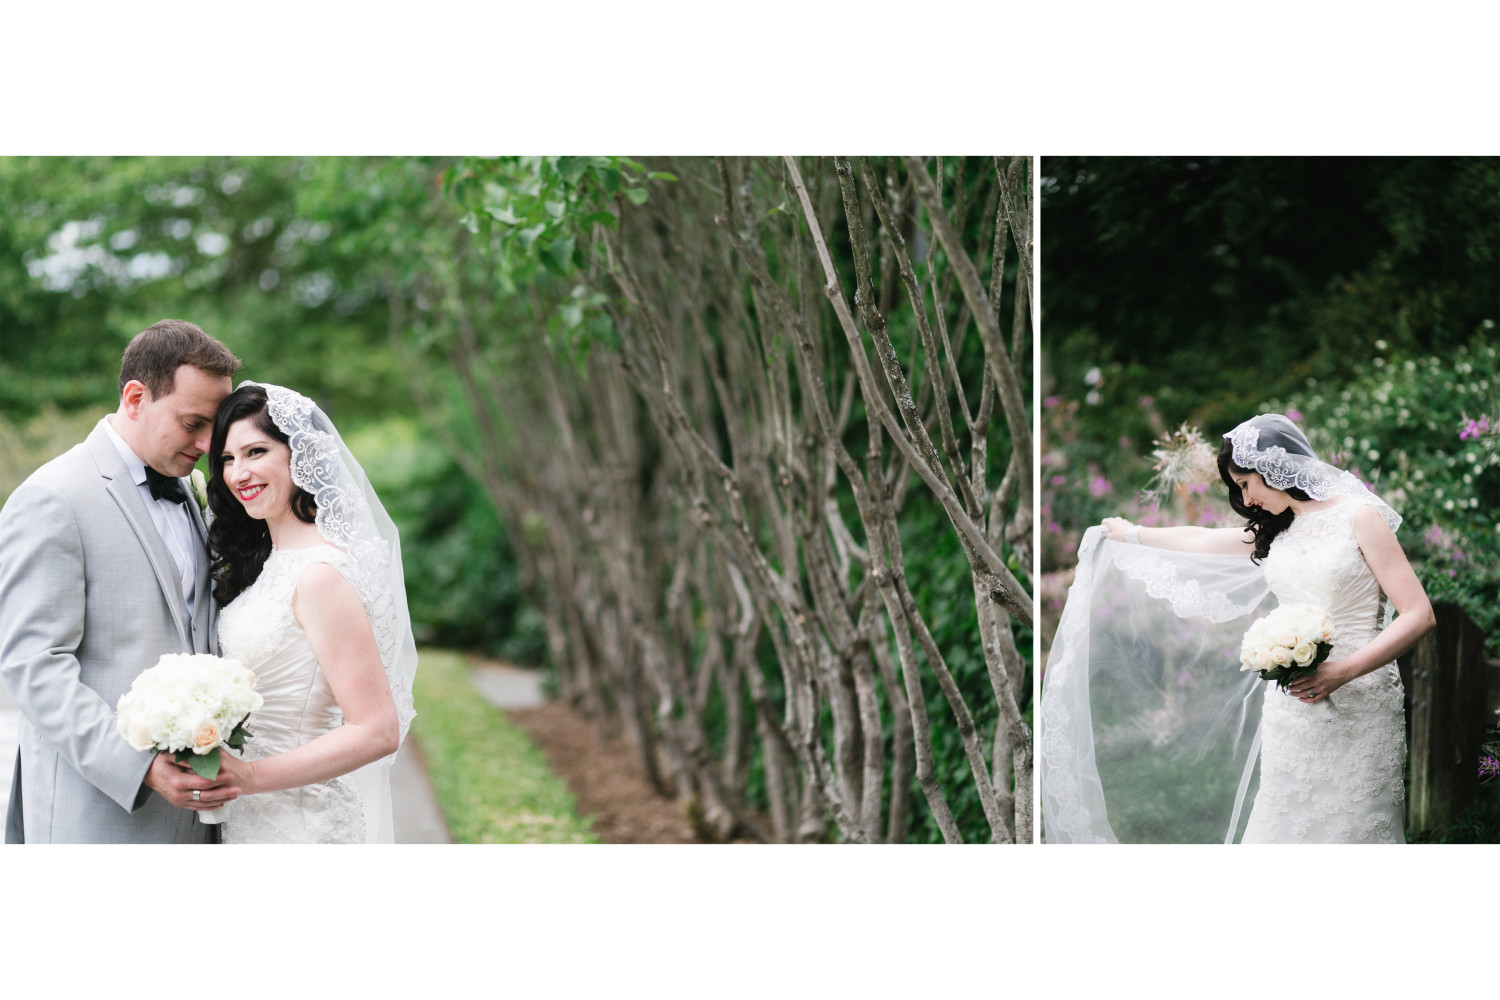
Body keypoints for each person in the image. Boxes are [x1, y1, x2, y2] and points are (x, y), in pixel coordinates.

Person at [1039, 413, 1435, 843]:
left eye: (1246, 484)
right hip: (1293, 706)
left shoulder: (1359, 517)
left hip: (1360, 700)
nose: (1246, 500)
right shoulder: (1277, 531)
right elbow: (1201, 540)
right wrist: (1133, 534)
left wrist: (1341, 672)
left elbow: (1418, 614)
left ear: (1273, 467)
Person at [1, 320, 243, 843]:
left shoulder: (192, 492)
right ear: (135, 397)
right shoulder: (54, 497)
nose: (207, 444)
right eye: (193, 423)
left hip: (198, 822)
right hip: (97, 815)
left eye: (214, 428)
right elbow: (34, 666)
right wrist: (140, 767)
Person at [204, 382, 417, 843]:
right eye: (226, 459)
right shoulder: (269, 565)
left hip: (301, 824)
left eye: (255, 451)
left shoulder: (320, 574)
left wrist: (251, 776)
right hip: (251, 820)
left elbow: (377, 730)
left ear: (298, 455)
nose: (238, 472)